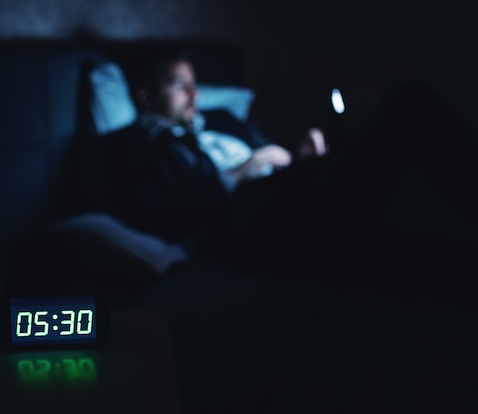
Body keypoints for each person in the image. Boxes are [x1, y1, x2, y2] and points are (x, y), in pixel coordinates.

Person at [91, 51, 478, 278]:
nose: (194, 93)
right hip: (251, 217)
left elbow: (273, 156)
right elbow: (164, 218)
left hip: (298, 186)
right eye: (179, 84)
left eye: (194, 83)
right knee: (408, 105)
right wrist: (242, 174)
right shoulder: (132, 146)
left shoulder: (224, 119)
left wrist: (301, 157)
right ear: (144, 96)